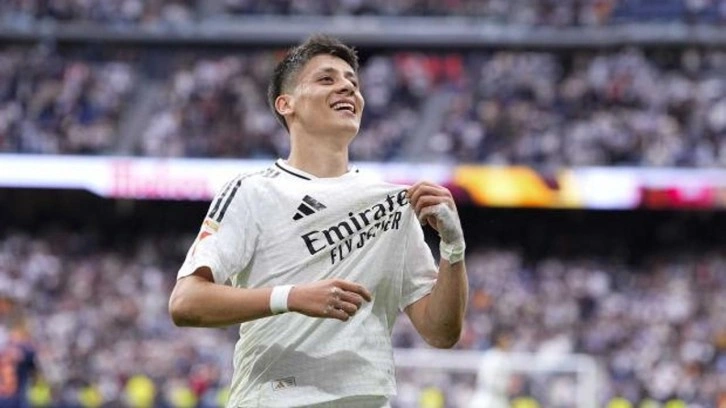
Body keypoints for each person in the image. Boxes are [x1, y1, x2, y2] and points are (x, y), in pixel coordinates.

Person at [169, 34, 468, 408]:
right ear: (286, 104)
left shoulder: (394, 205)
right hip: (276, 400)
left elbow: (441, 332)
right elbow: (186, 302)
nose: (347, 87)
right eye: (326, 79)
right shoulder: (254, 192)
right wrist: (291, 297)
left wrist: (453, 249)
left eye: (352, 82)